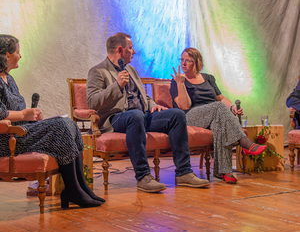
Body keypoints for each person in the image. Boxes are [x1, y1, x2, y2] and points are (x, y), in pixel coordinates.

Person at [87, 32, 209, 192]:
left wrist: (153, 105)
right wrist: (116, 86)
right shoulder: (98, 71)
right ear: (119, 49)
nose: (134, 51)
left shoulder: (131, 69)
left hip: (142, 116)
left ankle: (184, 173)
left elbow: (143, 96)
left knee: (177, 115)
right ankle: (143, 176)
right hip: (116, 119)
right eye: (130, 48)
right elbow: (92, 101)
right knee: (135, 116)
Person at [0, 34, 105, 208]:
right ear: (7, 55)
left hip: (23, 131)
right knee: (61, 127)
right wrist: (24, 115)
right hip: (8, 139)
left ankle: (81, 188)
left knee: (69, 123)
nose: (21, 55)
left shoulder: (9, 79)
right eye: (18, 52)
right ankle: (73, 191)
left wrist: (31, 115)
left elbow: (19, 111)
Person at [170, 47, 267, 184]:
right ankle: (244, 142)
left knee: (219, 124)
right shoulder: (177, 81)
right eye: (182, 60)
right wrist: (180, 83)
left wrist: (232, 107)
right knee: (218, 108)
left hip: (214, 115)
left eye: (188, 61)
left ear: (197, 63)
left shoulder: (208, 78)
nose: (183, 64)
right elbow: (184, 106)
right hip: (189, 117)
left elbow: (220, 98)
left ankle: (225, 172)